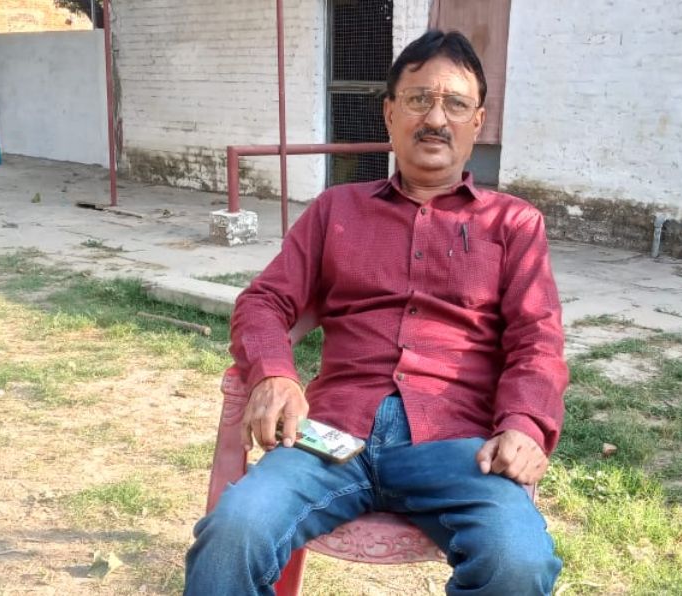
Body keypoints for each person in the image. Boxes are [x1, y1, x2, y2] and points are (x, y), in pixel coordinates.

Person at [184, 29, 568, 595]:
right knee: (233, 532)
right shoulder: (337, 210)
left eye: (454, 104)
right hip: (331, 437)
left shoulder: (513, 225)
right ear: (389, 114)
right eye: (418, 99)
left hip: (458, 446)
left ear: (477, 123)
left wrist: (525, 424)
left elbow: (537, 339)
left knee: (518, 560)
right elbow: (264, 301)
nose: (435, 118)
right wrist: (273, 373)